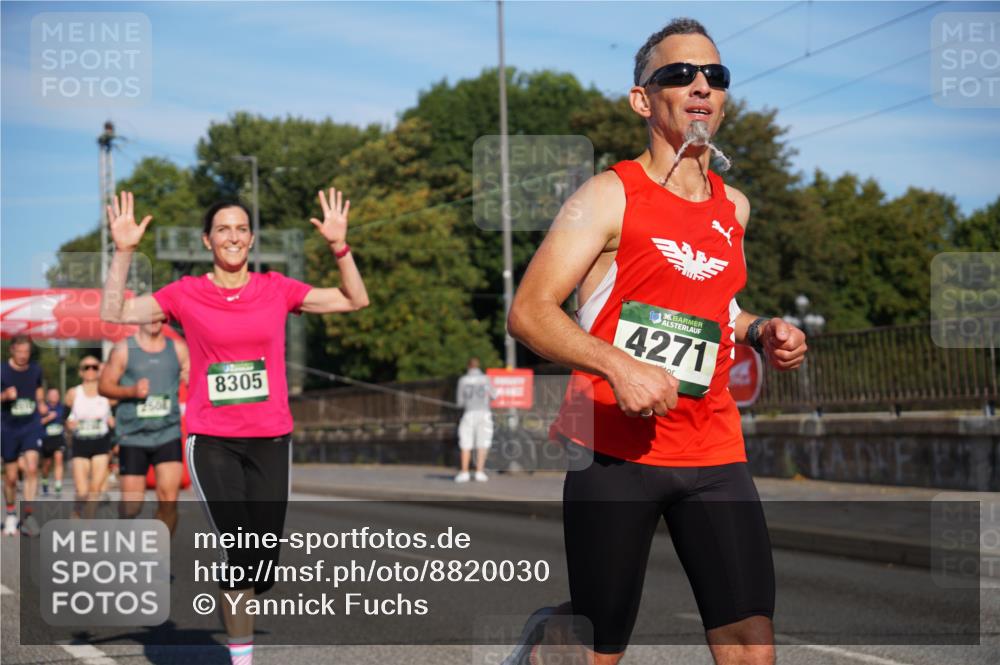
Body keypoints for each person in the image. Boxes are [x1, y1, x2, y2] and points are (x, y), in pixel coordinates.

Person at [506, 18, 807, 665]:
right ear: (642, 99)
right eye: (679, 74)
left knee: (751, 645)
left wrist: (761, 330)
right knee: (598, 646)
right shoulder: (606, 196)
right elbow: (529, 311)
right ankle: (548, 637)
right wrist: (618, 366)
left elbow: (715, 305)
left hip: (713, 447)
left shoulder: (734, 207)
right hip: (613, 451)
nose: (701, 86)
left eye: (714, 76)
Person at [101, 188, 368, 665]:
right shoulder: (185, 293)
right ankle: (241, 659)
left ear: (252, 238)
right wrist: (123, 252)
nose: (233, 236)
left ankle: (241, 597)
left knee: (262, 565)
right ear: (207, 240)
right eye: (223, 229)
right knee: (238, 552)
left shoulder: (276, 288)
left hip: (271, 439)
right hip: (212, 440)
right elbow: (114, 313)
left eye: (242, 229)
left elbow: (356, 299)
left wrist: (339, 246)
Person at [99, 321, 189, 534]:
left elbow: (192, 376)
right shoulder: (123, 349)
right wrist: (131, 391)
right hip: (133, 435)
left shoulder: (178, 348)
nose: (154, 321)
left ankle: (158, 550)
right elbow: (104, 386)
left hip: (168, 432)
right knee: (132, 506)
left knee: (169, 501)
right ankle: (123, 540)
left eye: (159, 316)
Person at [1, 334, 47, 536]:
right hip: (8, 427)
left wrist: (41, 402)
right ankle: (11, 514)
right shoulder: (2, 370)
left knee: (32, 468)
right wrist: (4, 396)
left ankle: (28, 516)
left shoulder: (35, 369)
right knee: (11, 478)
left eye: (26, 352)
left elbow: (38, 388)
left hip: (31, 424)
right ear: (12, 350)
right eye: (19, 352)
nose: (23, 356)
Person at [66, 355, 115, 517]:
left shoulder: (107, 392)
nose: (91, 370)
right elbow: (66, 416)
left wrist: (114, 423)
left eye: (95, 367)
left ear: (100, 370)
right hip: (80, 443)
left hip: (101, 443)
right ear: (80, 372)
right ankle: (77, 512)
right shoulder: (73, 393)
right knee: (82, 492)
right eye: (86, 367)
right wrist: (69, 424)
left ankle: (88, 525)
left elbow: (116, 414)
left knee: (95, 489)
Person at [454, 357, 497, 482]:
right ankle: (479, 472)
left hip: (469, 414)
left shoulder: (463, 380)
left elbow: (460, 402)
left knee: (465, 444)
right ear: (478, 366)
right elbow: (494, 395)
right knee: (482, 444)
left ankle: (464, 472)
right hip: (484, 414)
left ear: (468, 366)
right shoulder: (486, 378)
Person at [39, 387, 67, 496]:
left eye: (56, 394)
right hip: (46, 439)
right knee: (47, 464)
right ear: (48, 396)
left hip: (59, 438)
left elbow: (67, 420)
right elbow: (37, 423)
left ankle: (58, 486)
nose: (54, 397)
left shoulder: (62, 408)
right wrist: (48, 418)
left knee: (59, 459)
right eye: (52, 395)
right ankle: (45, 481)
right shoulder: (43, 408)